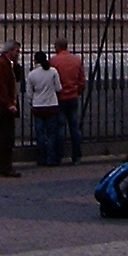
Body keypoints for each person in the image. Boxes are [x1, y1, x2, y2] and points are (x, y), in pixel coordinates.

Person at [0, 40, 22, 177]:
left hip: (4, 104)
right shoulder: (1, 64)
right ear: (10, 51)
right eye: (16, 51)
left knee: (3, 136)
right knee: (6, 137)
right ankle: (5, 166)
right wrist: (9, 104)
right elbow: (1, 87)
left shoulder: (8, 64)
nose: (18, 54)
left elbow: (16, 78)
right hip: (2, 105)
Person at [51, 36, 86, 164]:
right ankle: (77, 156)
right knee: (74, 127)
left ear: (57, 47)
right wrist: (78, 91)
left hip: (60, 97)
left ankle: (59, 155)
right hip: (73, 96)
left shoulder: (54, 61)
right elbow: (82, 80)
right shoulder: (76, 60)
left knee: (60, 128)